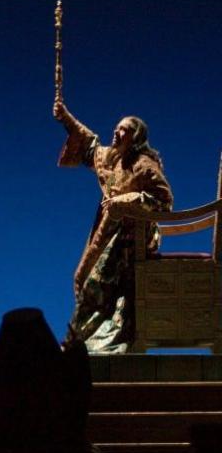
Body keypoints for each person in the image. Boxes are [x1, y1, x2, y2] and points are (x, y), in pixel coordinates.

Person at [53, 101, 174, 353]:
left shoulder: (144, 165)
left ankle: (85, 342)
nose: (117, 133)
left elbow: (164, 201)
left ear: (136, 137)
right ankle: (82, 341)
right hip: (106, 232)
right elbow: (90, 145)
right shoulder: (114, 158)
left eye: (124, 130)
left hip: (131, 238)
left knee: (94, 283)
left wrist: (131, 199)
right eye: (117, 128)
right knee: (82, 276)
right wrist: (65, 117)